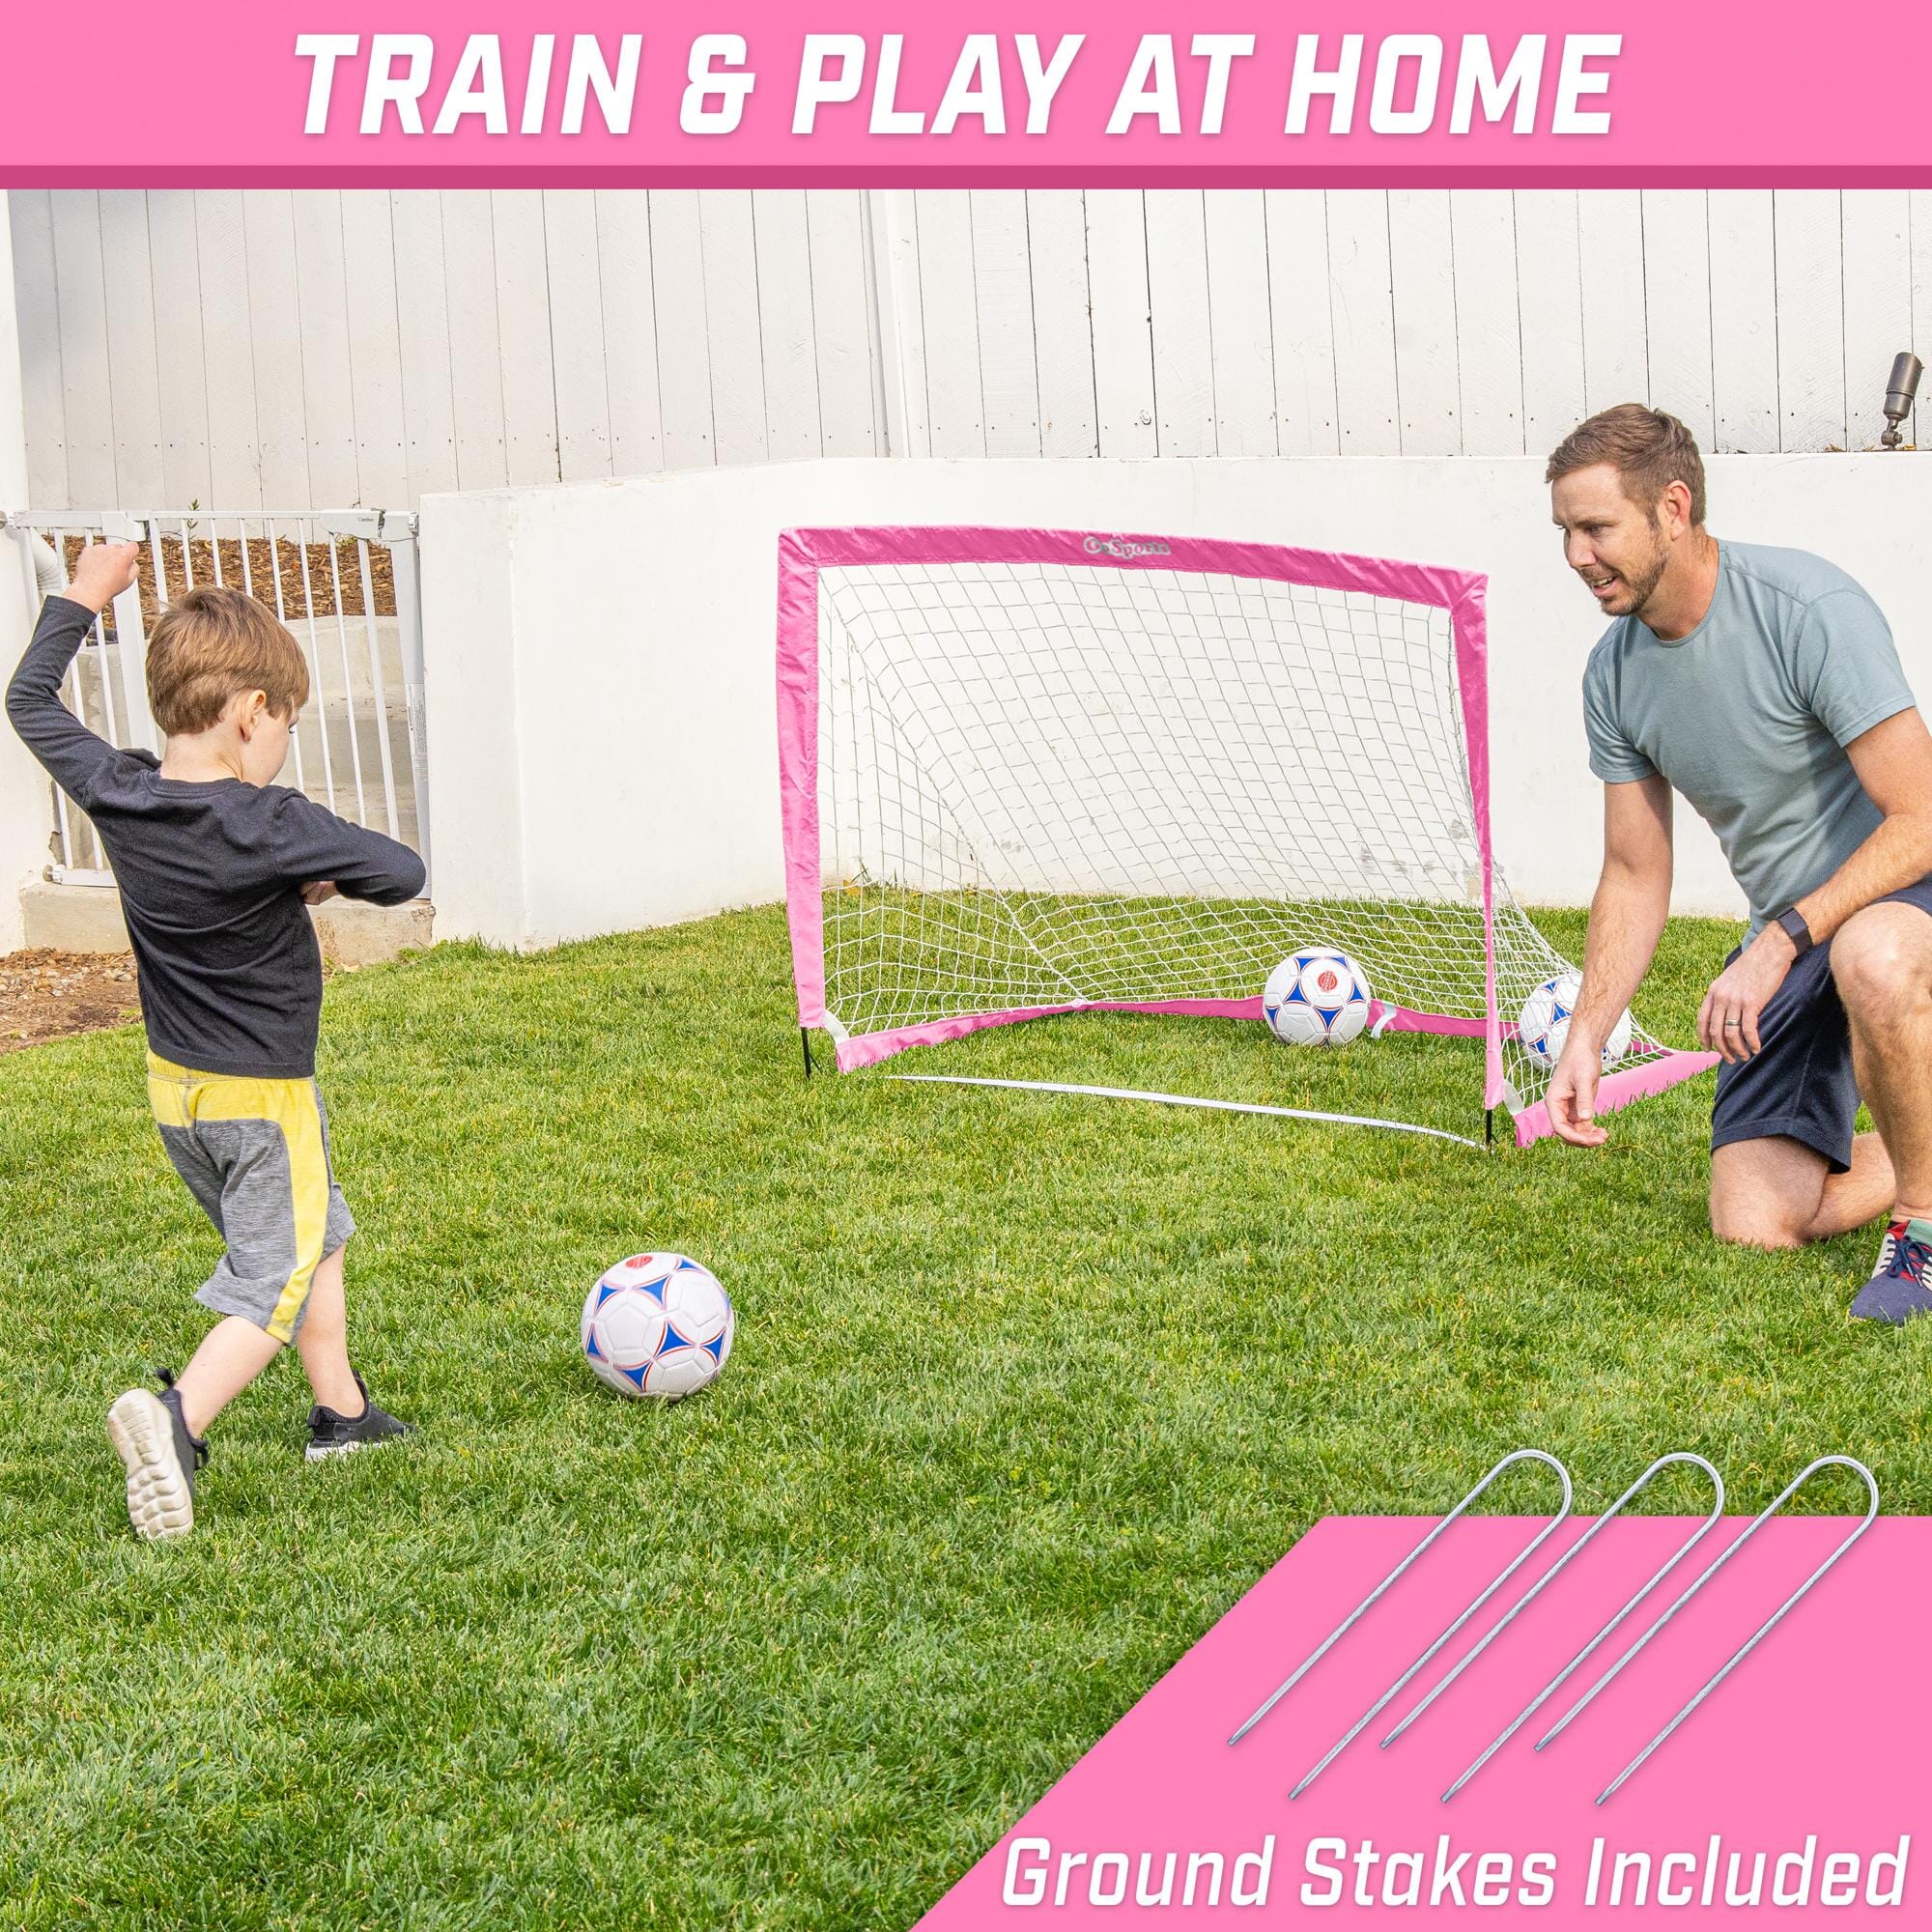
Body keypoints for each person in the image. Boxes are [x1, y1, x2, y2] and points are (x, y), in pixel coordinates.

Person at [6, 542, 427, 1538]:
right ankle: (176, 1418)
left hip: (177, 1095)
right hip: (262, 1097)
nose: (282, 740)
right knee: (270, 1281)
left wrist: (82, 596)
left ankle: (345, 1413)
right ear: (249, 710)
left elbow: (30, 702)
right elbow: (402, 870)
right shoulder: (270, 823)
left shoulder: (120, 788)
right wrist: (318, 875)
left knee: (314, 1232)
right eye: (285, 721)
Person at [1543, 405, 1932, 1323]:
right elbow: (1636, 873)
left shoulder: (1807, 609)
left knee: (1869, 957)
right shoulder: (1614, 676)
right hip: (1793, 940)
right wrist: (1589, 1033)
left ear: (1673, 509)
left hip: (1900, 893)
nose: (1576, 557)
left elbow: (1920, 817)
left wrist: (1784, 937)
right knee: (1757, 1222)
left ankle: (1920, 1236)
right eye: (1564, 532)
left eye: (1596, 529)